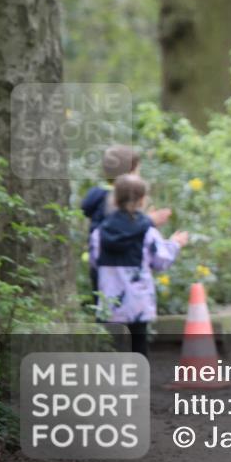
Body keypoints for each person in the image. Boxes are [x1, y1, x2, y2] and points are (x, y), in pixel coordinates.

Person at [90, 173, 188, 357]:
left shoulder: (100, 232)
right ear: (142, 200)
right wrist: (175, 243)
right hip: (137, 301)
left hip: (109, 299)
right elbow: (161, 260)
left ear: (115, 198)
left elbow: (94, 261)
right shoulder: (147, 232)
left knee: (112, 347)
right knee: (138, 344)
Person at [81, 145, 171, 309]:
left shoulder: (97, 195)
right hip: (122, 269)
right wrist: (148, 221)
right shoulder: (115, 200)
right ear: (128, 175)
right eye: (137, 172)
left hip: (100, 265)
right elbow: (122, 230)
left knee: (103, 311)